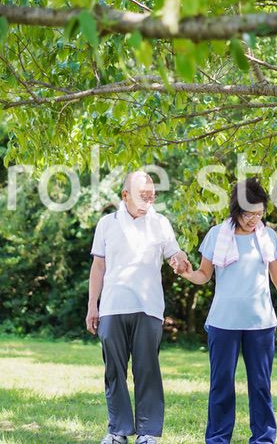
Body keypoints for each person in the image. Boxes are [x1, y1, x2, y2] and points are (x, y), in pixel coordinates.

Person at [176, 177, 277, 444]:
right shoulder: (216, 235)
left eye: (259, 213)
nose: (254, 219)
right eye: (248, 214)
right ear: (236, 209)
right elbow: (203, 275)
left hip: (261, 323)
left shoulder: (267, 236)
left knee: (260, 386)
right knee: (221, 385)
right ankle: (218, 438)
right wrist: (187, 273)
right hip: (223, 322)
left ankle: (264, 439)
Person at [86, 171, 190, 444]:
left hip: (149, 307)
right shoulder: (107, 224)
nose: (149, 200)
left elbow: (174, 254)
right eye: (143, 195)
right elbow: (98, 266)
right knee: (114, 371)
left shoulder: (161, 223)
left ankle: (148, 433)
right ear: (125, 195)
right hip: (111, 306)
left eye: (152, 195)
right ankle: (118, 431)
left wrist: (180, 259)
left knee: (147, 371)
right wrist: (92, 305)